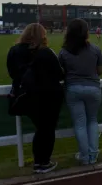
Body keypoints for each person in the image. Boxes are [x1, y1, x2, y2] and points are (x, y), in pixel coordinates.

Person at [7, 23, 64, 174]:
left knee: (41, 129)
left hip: (26, 96)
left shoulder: (14, 51)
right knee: (47, 129)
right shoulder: (45, 52)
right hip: (48, 95)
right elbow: (59, 74)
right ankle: (42, 162)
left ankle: (39, 161)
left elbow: (12, 73)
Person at [59, 19, 102, 165]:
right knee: (92, 121)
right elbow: (100, 71)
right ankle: (93, 154)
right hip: (93, 89)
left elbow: (61, 73)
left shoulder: (64, 51)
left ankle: (84, 156)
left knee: (80, 124)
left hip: (73, 89)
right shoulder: (96, 49)